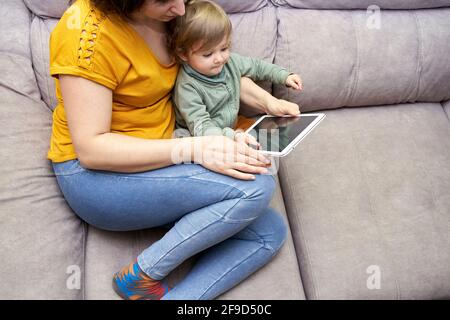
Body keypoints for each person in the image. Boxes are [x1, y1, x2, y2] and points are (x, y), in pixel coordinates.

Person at [48, 0, 300, 300]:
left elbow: (219, 73)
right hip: (96, 175)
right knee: (256, 187)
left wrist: (268, 103)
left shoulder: (178, 8)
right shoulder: (84, 36)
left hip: (164, 149)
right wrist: (196, 149)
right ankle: (143, 273)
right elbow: (92, 150)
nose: (181, 9)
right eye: (164, 1)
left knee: (268, 233)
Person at [171, 0, 303, 146]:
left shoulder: (230, 62)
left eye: (224, 48)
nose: (219, 59)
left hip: (231, 127)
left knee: (268, 141)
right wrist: (232, 136)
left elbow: (257, 66)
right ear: (183, 54)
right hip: (198, 136)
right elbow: (201, 127)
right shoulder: (187, 87)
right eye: (208, 54)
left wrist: (284, 76)